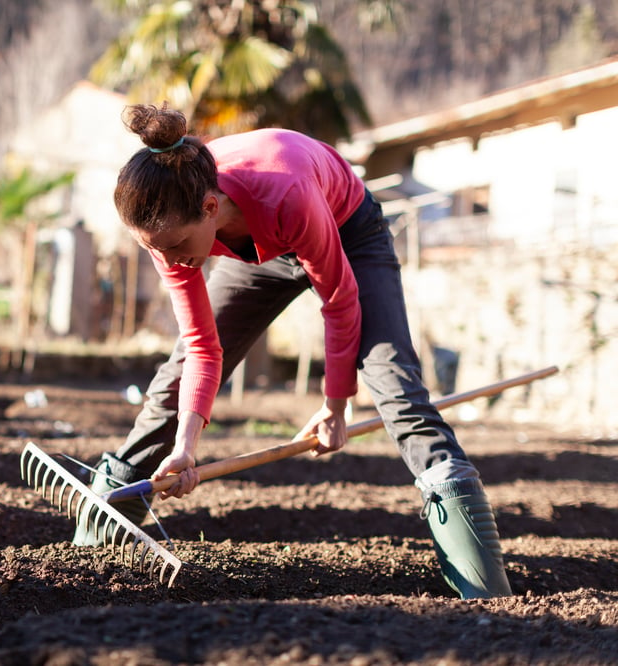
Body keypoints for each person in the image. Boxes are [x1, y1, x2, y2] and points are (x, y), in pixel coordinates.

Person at [73, 103, 512, 600]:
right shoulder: (169, 225)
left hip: (347, 231)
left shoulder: (284, 192)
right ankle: (90, 557)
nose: (171, 260)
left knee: (398, 389)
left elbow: (340, 301)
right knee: (172, 384)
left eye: (175, 246)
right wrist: (185, 446)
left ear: (211, 209)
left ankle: (486, 596)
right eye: (157, 249)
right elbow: (202, 346)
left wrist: (335, 406)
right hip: (256, 249)